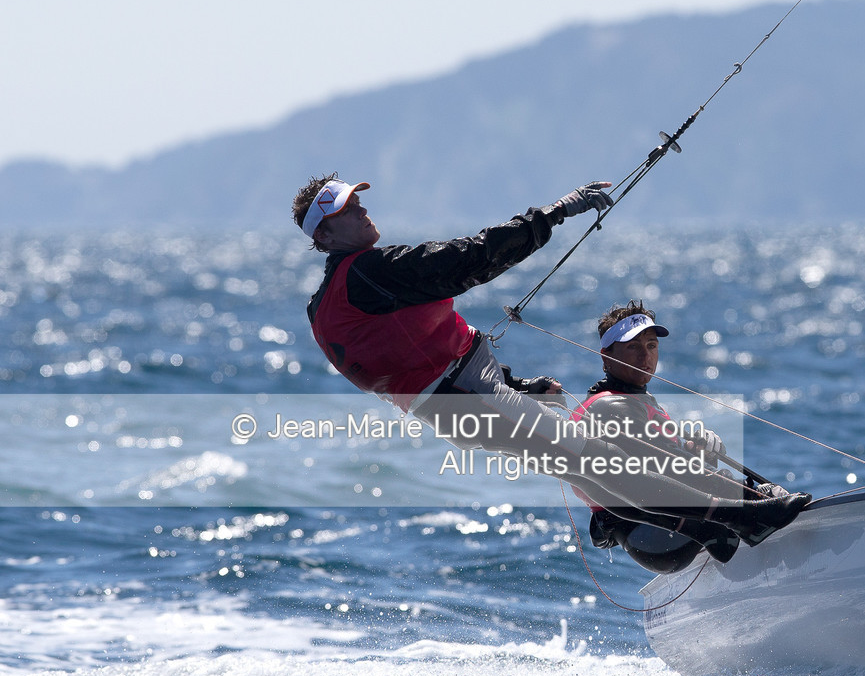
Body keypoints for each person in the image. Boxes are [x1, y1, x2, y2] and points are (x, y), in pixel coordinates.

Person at [292, 174, 803, 560]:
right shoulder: (368, 273)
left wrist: (512, 384)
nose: (361, 212)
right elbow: (470, 257)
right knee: (598, 457)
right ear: (326, 237)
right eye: (346, 212)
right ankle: (745, 518)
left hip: (467, 397)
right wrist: (554, 214)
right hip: (467, 397)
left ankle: (704, 529)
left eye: (359, 202)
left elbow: (402, 360)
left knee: (589, 462)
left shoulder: (325, 304)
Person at [570, 302, 809, 572]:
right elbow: (665, 472)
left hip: (656, 533)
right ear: (606, 357)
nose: (645, 356)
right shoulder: (612, 407)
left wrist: (696, 451)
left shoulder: (625, 401)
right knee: (758, 501)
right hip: (658, 537)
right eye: (633, 347)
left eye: (651, 346)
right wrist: (752, 495)